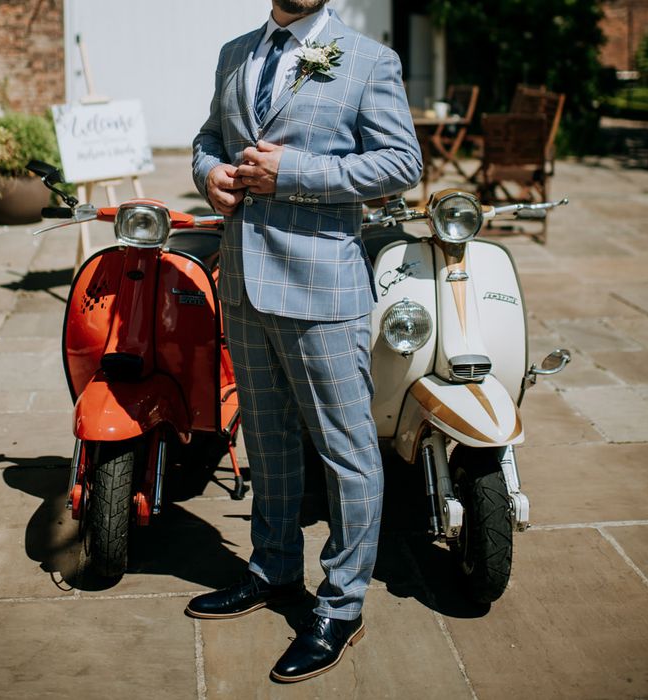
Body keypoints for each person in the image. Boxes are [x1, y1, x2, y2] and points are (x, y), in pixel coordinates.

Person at [186, 0, 422, 683]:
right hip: (245, 286)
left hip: (323, 291)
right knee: (268, 440)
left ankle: (342, 605)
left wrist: (296, 174)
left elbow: (399, 164)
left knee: (346, 450)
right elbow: (207, 140)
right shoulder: (236, 53)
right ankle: (273, 568)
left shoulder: (370, 61)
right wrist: (211, 176)